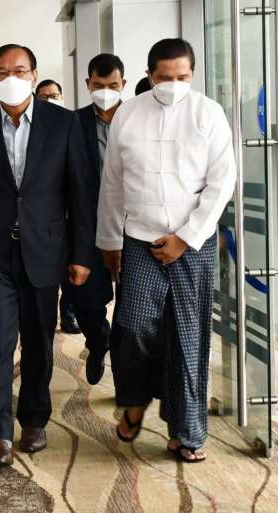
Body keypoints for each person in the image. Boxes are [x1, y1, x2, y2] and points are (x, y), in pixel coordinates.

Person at [0, 44, 94, 467]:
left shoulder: (63, 123)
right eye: (1, 72)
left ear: (33, 74)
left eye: (19, 70)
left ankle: (33, 419)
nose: (10, 78)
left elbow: (80, 194)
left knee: (38, 341)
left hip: (44, 249)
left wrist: (81, 254)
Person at [97, 38, 235, 463]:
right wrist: (109, 240)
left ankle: (186, 432)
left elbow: (221, 183)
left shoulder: (208, 113)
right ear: (149, 74)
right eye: (165, 77)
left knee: (188, 336)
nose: (174, 84)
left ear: (192, 74)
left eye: (183, 77)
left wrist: (186, 238)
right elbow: (113, 182)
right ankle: (136, 402)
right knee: (134, 326)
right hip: (140, 238)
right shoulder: (128, 114)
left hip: (192, 242)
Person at [61, 53, 128, 385]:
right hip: (87, 228)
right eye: (99, 85)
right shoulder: (72, 123)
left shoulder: (136, 119)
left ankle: (127, 377)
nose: (106, 91)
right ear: (88, 84)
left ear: (123, 84)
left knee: (133, 311)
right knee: (87, 303)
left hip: (131, 228)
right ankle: (98, 342)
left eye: (113, 85)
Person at [34, 79, 82, 335]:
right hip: (44, 223)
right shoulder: (34, 129)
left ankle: (68, 314)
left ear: (62, 97)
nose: (50, 100)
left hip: (68, 219)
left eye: (54, 95)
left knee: (70, 275)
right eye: (44, 96)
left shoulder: (70, 123)